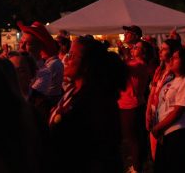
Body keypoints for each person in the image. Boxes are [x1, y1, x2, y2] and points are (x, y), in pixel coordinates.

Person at [49, 36, 127, 173]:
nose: (66, 59)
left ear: (87, 64)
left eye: (72, 55)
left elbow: (97, 146)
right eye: (68, 54)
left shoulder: (97, 98)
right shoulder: (73, 90)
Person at [152, 48, 185, 173]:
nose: (171, 59)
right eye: (172, 57)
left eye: (176, 57)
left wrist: (158, 127)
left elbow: (178, 110)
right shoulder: (171, 81)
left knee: (175, 166)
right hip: (166, 130)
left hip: (178, 130)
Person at [118, 40, 153, 173]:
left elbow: (125, 69)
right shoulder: (132, 62)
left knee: (133, 138)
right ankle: (138, 162)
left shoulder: (141, 64)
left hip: (130, 105)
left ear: (143, 52)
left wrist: (126, 55)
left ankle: (137, 167)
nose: (133, 48)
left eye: (137, 47)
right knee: (133, 138)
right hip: (127, 103)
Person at [17, 21, 64, 121]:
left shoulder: (44, 73)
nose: (21, 47)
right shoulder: (22, 64)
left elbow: (27, 99)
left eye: (28, 44)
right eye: (21, 42)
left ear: (39, 47)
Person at [146, 39, 182, 161]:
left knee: (167, 156)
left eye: (164, 49)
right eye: (160, 48)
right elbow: (152, 92)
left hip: (167, 115)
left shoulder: (176, 73)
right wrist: (148, 112)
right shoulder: (159, 70)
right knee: (155, 153)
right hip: (155, 112)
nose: (160, 51)